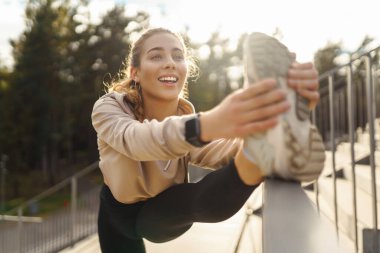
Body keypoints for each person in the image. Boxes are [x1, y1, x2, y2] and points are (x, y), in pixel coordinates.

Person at [91, 27, 321, 253]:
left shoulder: (183, 116)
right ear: (135, 73)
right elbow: (135, 140)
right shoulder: (109, 108)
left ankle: (260, 153)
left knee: (200, 199)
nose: (170, 62)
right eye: (156, 55)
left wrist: (260, 127)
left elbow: (216, 150)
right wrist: (207, 123)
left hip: (167, 211)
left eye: (178, 56)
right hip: (118, 215)